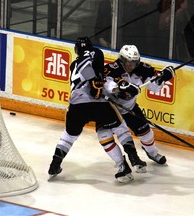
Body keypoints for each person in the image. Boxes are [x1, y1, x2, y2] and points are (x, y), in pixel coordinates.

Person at [48, 37, 145, 183]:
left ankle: (54, 165)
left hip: (76, 105)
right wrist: (94, 81)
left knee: (69, 135)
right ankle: (128, 162)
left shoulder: (73, 64)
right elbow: (87, 67)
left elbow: (84, 67)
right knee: (120, 126)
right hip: (97, 103)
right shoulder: (95, 52)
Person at [103, 45, 174, 165]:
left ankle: (152, 153)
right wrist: (120, 88)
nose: (131, 65)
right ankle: (122, 163)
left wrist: (162, 79)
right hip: (111, 109)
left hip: (129, 108)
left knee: (146, 132)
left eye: (134, 62)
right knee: (106, 136)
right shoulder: (111, 69)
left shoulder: (144, 69)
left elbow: (154, 88)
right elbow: (108, 86)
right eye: (128, 62)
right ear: (121, 60)